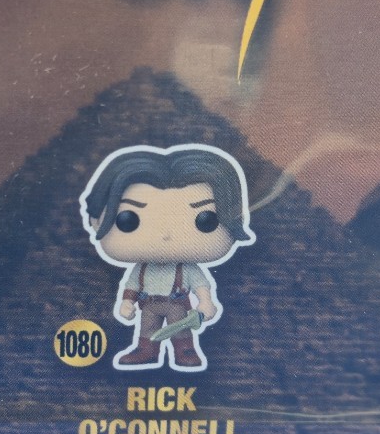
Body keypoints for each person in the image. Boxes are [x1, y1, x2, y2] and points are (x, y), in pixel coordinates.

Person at [79, 144, 254, 370]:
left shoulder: (187, 268)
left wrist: (206, 302)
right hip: (149, 304)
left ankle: (186, 350)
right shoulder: (141, 269)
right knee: (147, 330)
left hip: (176, 304)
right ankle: (146, 350)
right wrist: (126, 303)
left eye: (205, 220)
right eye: (129, 219)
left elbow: (200, 284)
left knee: (181, 331)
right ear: (96, 221)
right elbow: (132, 286)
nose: (166, 235)